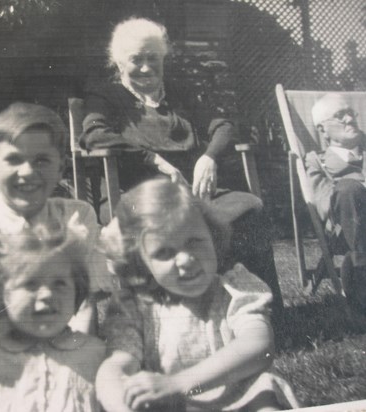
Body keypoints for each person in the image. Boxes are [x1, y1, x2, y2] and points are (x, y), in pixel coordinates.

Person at [80, 17, 284, 328]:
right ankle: (197, 322)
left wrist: (209, 157)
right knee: (193, 222)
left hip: (194, 191)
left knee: (249, 208)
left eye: (153, 59)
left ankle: (266, 315)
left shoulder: (180, 94)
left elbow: (223, 126)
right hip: (138, 194)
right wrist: (155, 160)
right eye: (137, 59)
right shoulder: (106, 97)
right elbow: (95, 135)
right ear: (120, 62)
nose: (146, 68)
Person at [96, 177, 299, 412]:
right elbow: (117, 364)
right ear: (141, 262)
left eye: (194, 242)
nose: (186, 259)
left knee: (265, 393)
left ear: (213, 236)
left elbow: (258, 345)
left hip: (240, 398)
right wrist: (118, 401)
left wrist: (178, 383)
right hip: (174, 405)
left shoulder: (234, 289)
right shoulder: (136, 306)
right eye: (164, 252)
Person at [0, 102, 111, 351]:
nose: (27, 172)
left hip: (67, 355)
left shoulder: (77, 215)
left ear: (60, 168)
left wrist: (78, 365)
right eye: (14, 159)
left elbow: (85, 310)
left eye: (41, 161)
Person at [0, 220, 106, 412]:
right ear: (2, 294)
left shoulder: (97, 355)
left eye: (60, 283)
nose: (47, 294)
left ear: (77, 290)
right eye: (30, 284)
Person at [306, 93, 366, 312]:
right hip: (349, 229)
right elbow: (323, 205)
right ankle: (361, 275)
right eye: (340, 115)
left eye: (351, 113)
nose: (350, 119)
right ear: (323, 130)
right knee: (348, 189)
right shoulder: (317, 161)